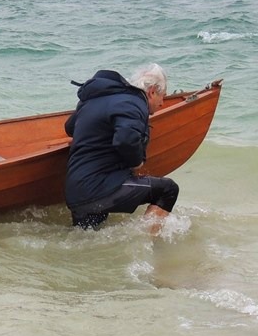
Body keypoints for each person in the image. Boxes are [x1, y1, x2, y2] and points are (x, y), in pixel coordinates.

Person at [63, 64, 178, 235]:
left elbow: (70, 127)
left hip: (76, 193)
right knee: (168, 190)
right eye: (163, 96)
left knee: (87, 239)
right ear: (152, 91)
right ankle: (149, 245)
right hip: (98, 189)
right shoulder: (134, 103)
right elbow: (126, 139)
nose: (162, 103)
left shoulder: (96, 100)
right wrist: (136, 162)